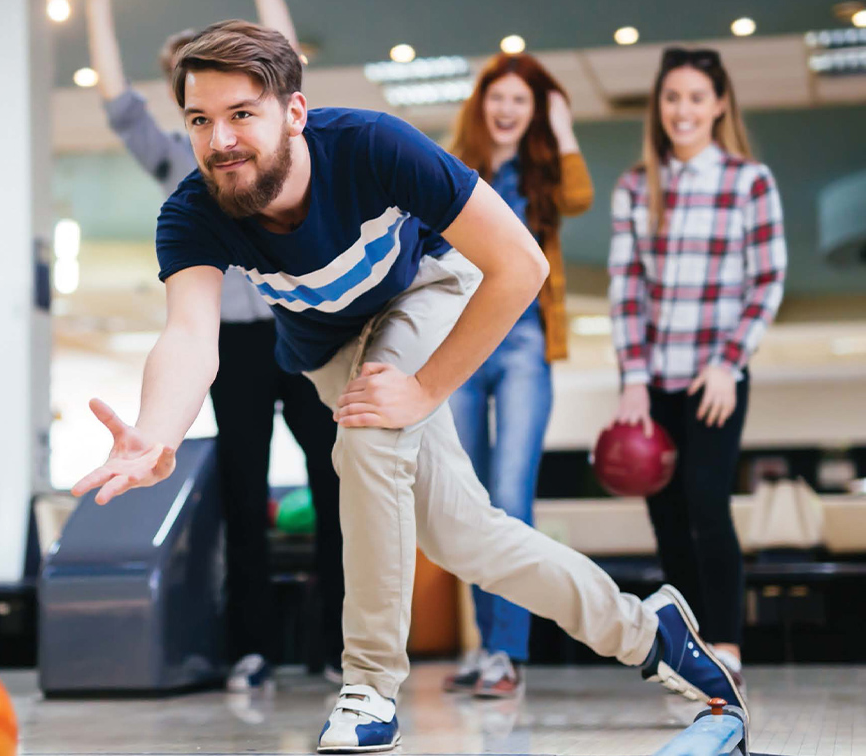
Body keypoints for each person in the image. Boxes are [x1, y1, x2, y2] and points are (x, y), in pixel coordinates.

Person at [72, 21, 746, 753]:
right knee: (467, 537)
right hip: (326, 347)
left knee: (368, 435)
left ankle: (368, 687)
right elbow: (191, 338)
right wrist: (159, 431)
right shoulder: (194, 210)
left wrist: (425, 388)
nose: (221, 140)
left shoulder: (373, 146)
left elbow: (521, 263)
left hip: (421, 291)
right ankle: (650, 632)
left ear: (293, 114)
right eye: (200, 121)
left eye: (242, 115)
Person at [84, 0, 343, 689]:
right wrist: (93, 15)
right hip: (231, 348)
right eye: (193, 93)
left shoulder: (268, 144)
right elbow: (116, 101)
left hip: (301, 329)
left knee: (335, 479)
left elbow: (279, 64)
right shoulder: (179, 164)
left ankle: (342, 644)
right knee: (240, 488)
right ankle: (254, 648)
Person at [609, 46, 787, 691]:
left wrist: (729, 363)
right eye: (672, 97)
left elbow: (767, 280)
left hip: (716, 378)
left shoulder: (749, 181)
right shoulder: (636, 185)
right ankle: (687, 647)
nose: (682, 110)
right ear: (659, 107)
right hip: (652, 379)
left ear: (718, 106)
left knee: (708, 505)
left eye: (695, 98)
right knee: (665, 514)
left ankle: (728, 644)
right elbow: (626, 288)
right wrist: (632, 375)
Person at [441, 52, 593, 699]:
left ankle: (507, 651)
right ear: (481, 105)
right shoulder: (455, 168)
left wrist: (562, 126)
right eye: (498, 98)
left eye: (521, 102)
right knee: (468, 502)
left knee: (511, 497)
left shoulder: (543, 176)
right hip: (464, 343)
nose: (506, 110)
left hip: (525, 341)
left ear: (533, 113)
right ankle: (485, 650)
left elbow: (581, 197)